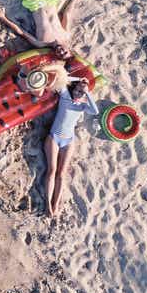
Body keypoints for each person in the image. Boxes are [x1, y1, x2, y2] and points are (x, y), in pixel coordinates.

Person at [43, 79, 98, 217]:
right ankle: (48, 204)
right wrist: (78, 81)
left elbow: (95, 111)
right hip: (54, 138)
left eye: (82, 92)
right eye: (78, 90)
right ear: (73, 89)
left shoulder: (83, 106)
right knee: (52, 170)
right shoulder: (66, 96)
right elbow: (61, 78)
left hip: (69, 141)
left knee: (62, 173)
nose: (79, 93)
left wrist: (87, 92)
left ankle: (56, 204)